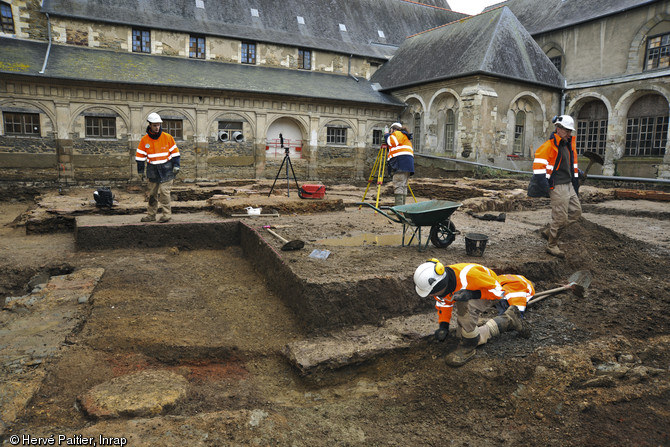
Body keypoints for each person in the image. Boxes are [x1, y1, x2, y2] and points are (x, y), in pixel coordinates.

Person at [413, 259, 534, 367]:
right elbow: (444, 303)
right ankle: (509, 319)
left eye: (432, 293)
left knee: (466, 305)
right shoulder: (442, 284)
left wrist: (473, 294)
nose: (431, 296)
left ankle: (468, 348)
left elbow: (499, 292)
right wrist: (443, 326)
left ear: (441, 285)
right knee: (463, 334)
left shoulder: (470, 276)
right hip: (474, 292)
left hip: (489, 291)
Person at [528, 114, 582, 258]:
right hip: (557, 186)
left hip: (569, 184)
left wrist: (578, 173)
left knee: (576, 213)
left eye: (570, 131)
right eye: (566, 130)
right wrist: (547, 189)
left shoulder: (568, 145)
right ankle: (552, 245)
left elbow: (569, 164)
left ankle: (550, 231)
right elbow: (539, 172)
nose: (569, 133)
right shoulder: (547, 147)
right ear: (558, 128)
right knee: (561, 219)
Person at [136, 112, 181, 223]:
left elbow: (175, 154)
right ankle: (151, 215)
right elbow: (140, 157)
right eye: (155, 125)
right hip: (152, 170)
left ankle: (166, 215)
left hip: (167, 169)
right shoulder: (144, 140)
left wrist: (176, 165)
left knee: (165, 193)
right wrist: (140, 171)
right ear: (150, 125)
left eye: (158, 125)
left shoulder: (168, 138)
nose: (157, 127)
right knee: (152, 194)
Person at [384, 122, 414, 206]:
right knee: (403, 185)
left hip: (400, 163)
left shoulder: (397, 133)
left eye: (391, 131)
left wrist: (386, 135)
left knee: (398, 184)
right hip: (407, 164)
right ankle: (402, 209)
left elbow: (390, 141)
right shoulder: (405, 137)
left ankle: (399, 210)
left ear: (394, 129)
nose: (391, 133)